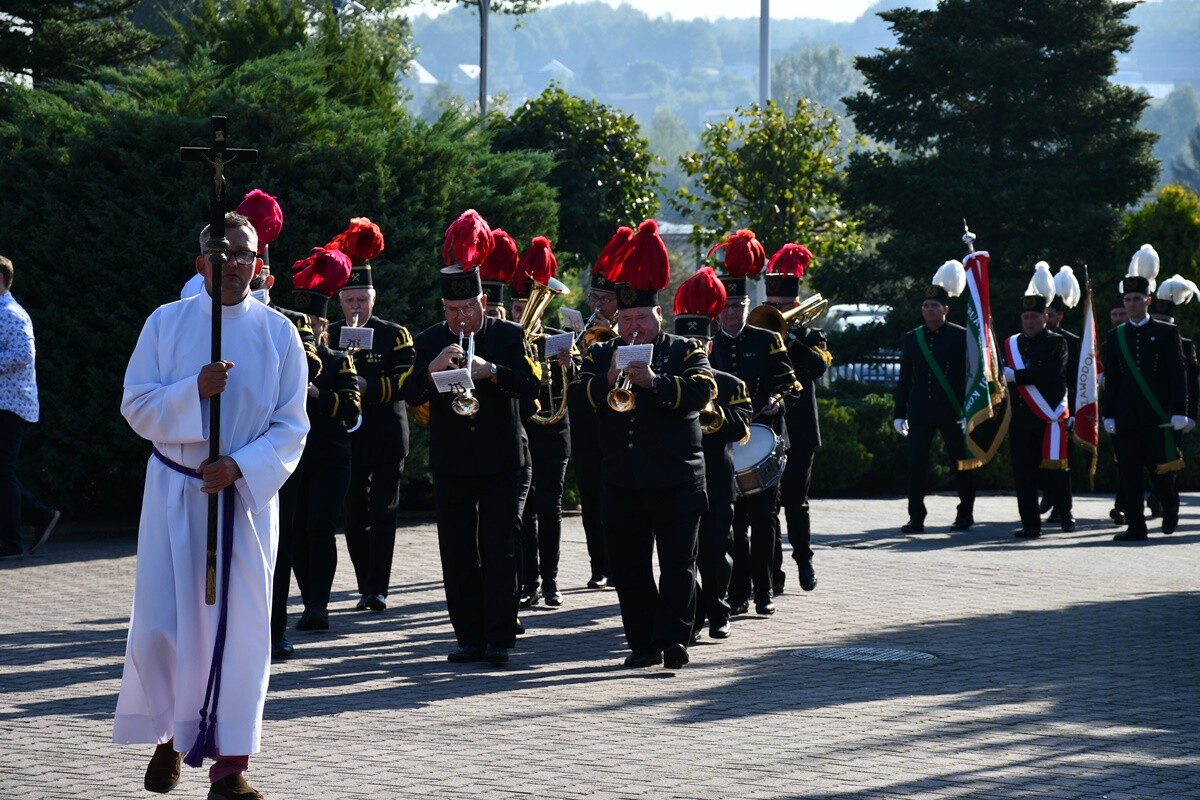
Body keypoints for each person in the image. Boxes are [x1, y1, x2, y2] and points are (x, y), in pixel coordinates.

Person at [115, 211, 309, 800]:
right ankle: (171, 737)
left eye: (246, 256)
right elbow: (136, 405)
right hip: (177, 493)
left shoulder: (279, 334)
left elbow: (291, 424)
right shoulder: (165, 324)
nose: (234, 266)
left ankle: (230, 766)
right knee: (164, 624)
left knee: (243, 628)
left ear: (259, 264)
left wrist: (241, 467)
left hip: (243, 503)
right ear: (202, 263)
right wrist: (191, 393)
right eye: (222, 256)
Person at [570, 219, 715, 670]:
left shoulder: (684, 351)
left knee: (677, 564)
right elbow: (577, 394)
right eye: (626, 319)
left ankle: (674, 638)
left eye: (641, 319)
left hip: (676, 480)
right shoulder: (600, 353)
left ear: (658, 316)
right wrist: (609, 378)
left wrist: (655, 382)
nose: (633, 328)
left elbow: (701, 393)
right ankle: (643, 643)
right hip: (622, 480)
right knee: (629, 570)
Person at [401, 210, 539, 665]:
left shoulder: (508, 336)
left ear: (483, 303)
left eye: (469, 310)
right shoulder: (429, 340)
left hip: (502, 458)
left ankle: (500, 637)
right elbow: (408, 392)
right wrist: (433, 368)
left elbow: (533, 385)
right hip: (453, 461)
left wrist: (493, 372)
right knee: (456, 551)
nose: (462, 319)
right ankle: (469, 636)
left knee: (498, 547)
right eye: (453, 311)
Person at [326, 218, 415, 613]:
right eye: (349, 300)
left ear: (373, 299)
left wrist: (368, 387)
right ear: (340, 302)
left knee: (383, 511)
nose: (356, 306)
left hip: (386, 436)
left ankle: (378, 587)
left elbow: (407, 381)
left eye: (362, 299)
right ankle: (365, 584)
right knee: (353, 513)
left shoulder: (395, 334)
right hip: (348, 437)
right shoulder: (327, 335)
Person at [709, 230, 800, 617]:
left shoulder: (766, 339)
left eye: (740, 305)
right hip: (726, 444)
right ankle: (737, 592)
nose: (733, 313)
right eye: (727, 307)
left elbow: (791, 383)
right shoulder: (710, 343)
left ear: (750, 304)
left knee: (764, 521)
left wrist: (778, 402)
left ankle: (764, 591)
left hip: (765, 441)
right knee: (733, 525)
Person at [672, 267, 751, 641]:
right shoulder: (668, 381)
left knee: (716, 552)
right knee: (681, 557)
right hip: (678, 479)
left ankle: (719, 610)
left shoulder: (732, 385)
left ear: (710, 345)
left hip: (718, 480)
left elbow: (739, 427)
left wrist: (712, 411)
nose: (695, 351)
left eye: (699, 346)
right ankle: (693, 614)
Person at [285, 248, 360, 633]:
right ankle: (306, 598)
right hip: (295, 458)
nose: (307, 328)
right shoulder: (282, 358)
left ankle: (319, 604)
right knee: (296, 529)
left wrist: (316, 394)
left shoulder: (336, 359)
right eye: (302, 321)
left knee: (319, 527)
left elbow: (351, 405)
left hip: (331, 456)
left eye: (313, 321)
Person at [511, 237, 574, 609]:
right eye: (518, 307)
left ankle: (550, 581)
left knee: (548, 508)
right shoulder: (507, 341)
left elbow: (577, 383)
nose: (523, 313)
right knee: (525, 510)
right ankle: (527, 580)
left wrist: (569, 365)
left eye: (527, 306)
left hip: (552, 434)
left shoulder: (555, 339)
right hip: (522, 432)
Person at [1102, 273, 1191, 541]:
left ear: (1148, 301)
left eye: (1137, 299)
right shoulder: (1115, 336)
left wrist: (1180, 410)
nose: (1131, 304)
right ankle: (1136, 527)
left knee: (1161, 471)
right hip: (1127, 416)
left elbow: (1177, 373)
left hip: (1158, 414)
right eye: (1127, 300)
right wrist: (1109, 413)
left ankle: (1170, 504)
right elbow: (1113, 379)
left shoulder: (1166, 332)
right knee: (1130, 474)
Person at [763, 243, 829, 593]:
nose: (776, 313)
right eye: (771, 308)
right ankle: (773, 574)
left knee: (794, 501)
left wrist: (790, 339)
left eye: (782, 308)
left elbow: (818, 367)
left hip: (801, 430)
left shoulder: (810, 335)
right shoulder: (759, 335)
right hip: (769, 428)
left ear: (796, 307)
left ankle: (804, 560)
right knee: (768, 504)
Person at [567, 226, 630, 590]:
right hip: (589, 426)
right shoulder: (580, 333)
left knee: (620, 500)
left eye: (604, 300)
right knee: (591, 497)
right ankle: (598, 564)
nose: (596, 307)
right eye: (593, 298)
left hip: (622, 424)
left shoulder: (633, 332)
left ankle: (621, 561)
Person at [893, 261, 975, 533]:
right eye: (926, 306)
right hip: (920, 411)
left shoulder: (961, 337)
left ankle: (965, 513)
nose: (930, 310)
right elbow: (905, 378)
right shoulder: (912, 338)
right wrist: (898, 413)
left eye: (935, 306)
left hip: (952, 410)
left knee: (960, 463)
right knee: (916, 465)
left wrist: (969, 409)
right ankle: (916, 516)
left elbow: (970, 376)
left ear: (945, 309)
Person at [0, 255, 59, 560]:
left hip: (10, 405)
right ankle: (40, 516)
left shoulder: (11, 313)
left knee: (3, 472)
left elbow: (23, 353)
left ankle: (11, 541)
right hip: (5, 404)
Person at [1003, 293, 1071, 538]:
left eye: (1034, 317)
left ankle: (1065, 513)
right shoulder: (1013, 344)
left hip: (1047, 417)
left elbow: (1048, 374)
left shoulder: (1057, 342)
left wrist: (1016, 377)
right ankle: (1031, 524)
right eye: (1025, 317)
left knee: (1055, 471)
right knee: (1024, 474)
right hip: (1021, 419)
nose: (1029, 322)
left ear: (1045, 317)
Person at [1038, 265, 1082, 527]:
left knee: (1062, 459)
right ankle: (1047, 495)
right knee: (1041, 458)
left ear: (1060, 316)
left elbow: (1077, 378)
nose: (1046, 318)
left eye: (1051, 314)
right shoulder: (1034, 340)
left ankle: (1061, 508)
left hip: (1062, 407)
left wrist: (1075, 411)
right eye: (1044, 313)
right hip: (1038, 406)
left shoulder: (1071, 341)